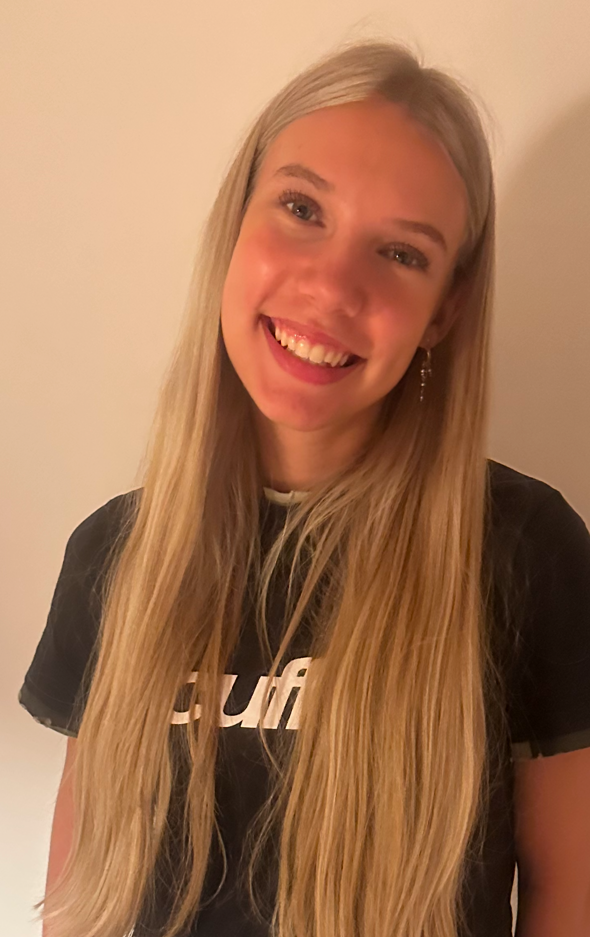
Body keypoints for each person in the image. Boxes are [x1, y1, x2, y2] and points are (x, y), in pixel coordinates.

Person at [18, 39, 590, 937]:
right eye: (301, 208)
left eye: (400, 253)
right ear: (235, 222)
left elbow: (571, 897)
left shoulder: (525, 550)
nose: (331, 287)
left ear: (444, 309)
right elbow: (80, 896)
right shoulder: (112, 556)